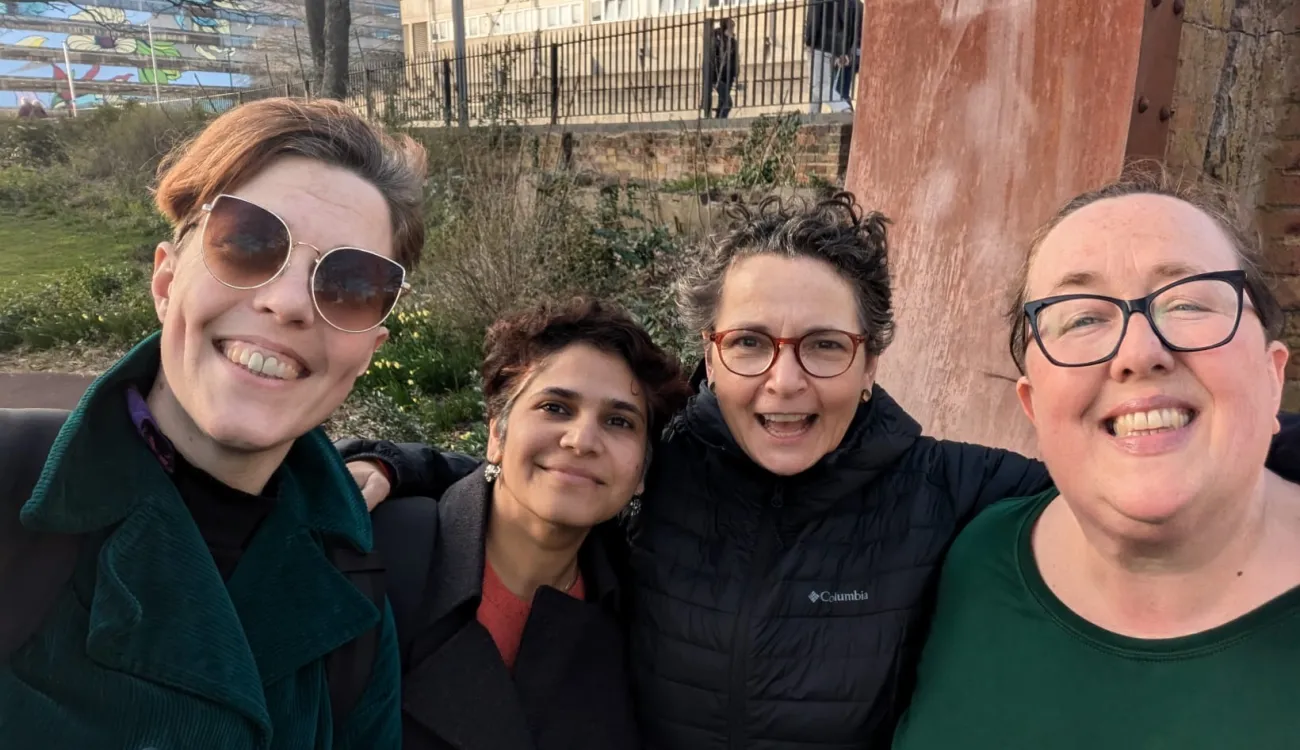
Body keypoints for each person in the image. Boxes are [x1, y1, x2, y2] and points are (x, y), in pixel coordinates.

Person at [342, 193, 1298, 749]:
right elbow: (540, 468)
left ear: (874, 358)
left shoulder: (956, 492)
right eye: (751, 343)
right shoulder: (656, 468)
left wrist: (1257, 429)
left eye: (826, 347)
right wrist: (393, 460)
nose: (784, 384)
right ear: (711, 352)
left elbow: (1127, 446)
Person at [0, 97, 424, 749]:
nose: (285, 303)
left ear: (369, 348)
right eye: (247, 244)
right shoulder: (11, 490)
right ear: (167, 281)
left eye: (349, 283)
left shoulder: (351, 599)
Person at [891, 168, 1300, 749]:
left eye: (1186, 302)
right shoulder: (973, 559)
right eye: (1083, 316)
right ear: (1033, 405)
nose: (1139, 352)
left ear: (1271, 373)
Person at [338, 297, 691, 750]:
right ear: (496, 435)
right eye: (555, 408)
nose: (582, 440)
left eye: (619, 421)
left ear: (642, 471)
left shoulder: (638, 616)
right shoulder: (372, 557)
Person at [711, 18, 739, 119]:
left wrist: (736, 72)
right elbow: (714, 58)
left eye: (733, 26)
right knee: (728, 103)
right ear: (726, 28)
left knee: (722, 102)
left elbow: (735, 59)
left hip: (729, 77)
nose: (733, 29)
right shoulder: (718, 41)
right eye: (731, 27)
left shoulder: (733, 42)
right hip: (719, 76)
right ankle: (721, 122)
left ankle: (716, 122)